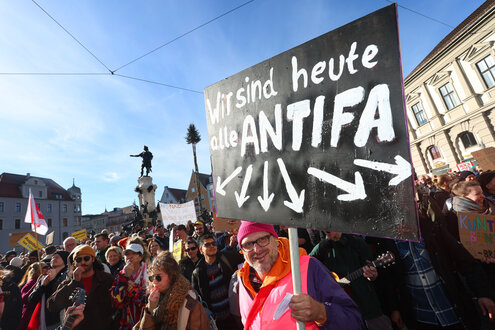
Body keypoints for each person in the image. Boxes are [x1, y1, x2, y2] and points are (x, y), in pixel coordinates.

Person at [233, 221, 363, 329]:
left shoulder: (309, 267)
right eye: (248, 244)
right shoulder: (242, 280)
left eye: (263, 239)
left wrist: (321, 313)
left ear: (276, 241)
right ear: (242, 251)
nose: (257, 249)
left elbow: (353, 320)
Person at [310, 232, 390, 329]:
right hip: (342, 312)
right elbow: (307, 272)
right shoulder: (321, 248)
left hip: (367, 306)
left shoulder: (357, 243)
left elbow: (373, 275)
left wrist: (372, 275)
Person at [134, 251, 209, 329]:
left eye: (158, 277)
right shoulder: (154, 301)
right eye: (152, 278)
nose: (154, 282)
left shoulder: (190, 303)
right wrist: (150, 309)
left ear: (171, 276)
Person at [46, 245, 115, 330]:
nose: (82, 262)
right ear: (74, 263)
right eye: (78, 260)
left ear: (93, 259)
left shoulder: (106, 279)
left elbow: (117, 306)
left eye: (86, 258)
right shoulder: (68, 282)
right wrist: (74, 283)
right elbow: (52, 306)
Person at [192, 234, 243, 330]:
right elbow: (197, 298)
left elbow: (244, 256)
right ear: (200, 250)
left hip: (234, 315)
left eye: (213, 244)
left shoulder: (226, 258)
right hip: (215, 321)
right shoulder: (197, 273)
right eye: (207, 245)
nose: (211, 246)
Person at [110, 242, 149, 329]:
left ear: (141, 257)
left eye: (134, 253)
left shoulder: (149, 270)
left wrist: (130, 287)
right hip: (127, 319)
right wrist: (126, 277)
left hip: (144, 317)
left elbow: (146, 298)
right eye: (127, 254)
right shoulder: (121, 273)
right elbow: (116, 299)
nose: (129, 257)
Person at [29, 250, 70, 329]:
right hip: (45, 321)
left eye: (57, 257)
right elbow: (31, 299)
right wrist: (43, 286)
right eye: (52, 258)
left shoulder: (68, 276)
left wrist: (54, 281)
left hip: (60, 320)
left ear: (65, 259)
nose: (53, 259)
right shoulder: (43, 277)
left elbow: (61, 298)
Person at [17, 262, 48, 330]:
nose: (48, 269)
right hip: (29, 315)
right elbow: (25, 298)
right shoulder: (33, 282)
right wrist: (38, 284)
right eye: (45, 267)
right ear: (38, 270)